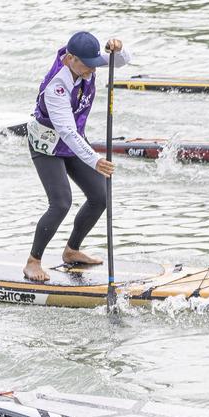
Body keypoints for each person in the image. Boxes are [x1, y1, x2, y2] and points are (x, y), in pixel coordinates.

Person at [24, 32, 131, 282]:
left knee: (99, 197)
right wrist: (95, 159)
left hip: (72, 141)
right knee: (61, 203)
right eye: (86, 64)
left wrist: (118, 48)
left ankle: (71, 250)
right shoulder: (56, 87)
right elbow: (68, 133)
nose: (92, 69)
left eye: (94, 63)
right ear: (70, 59)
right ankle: (33, 261)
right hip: (47, 145)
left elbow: (123, 60)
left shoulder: (86, 62)